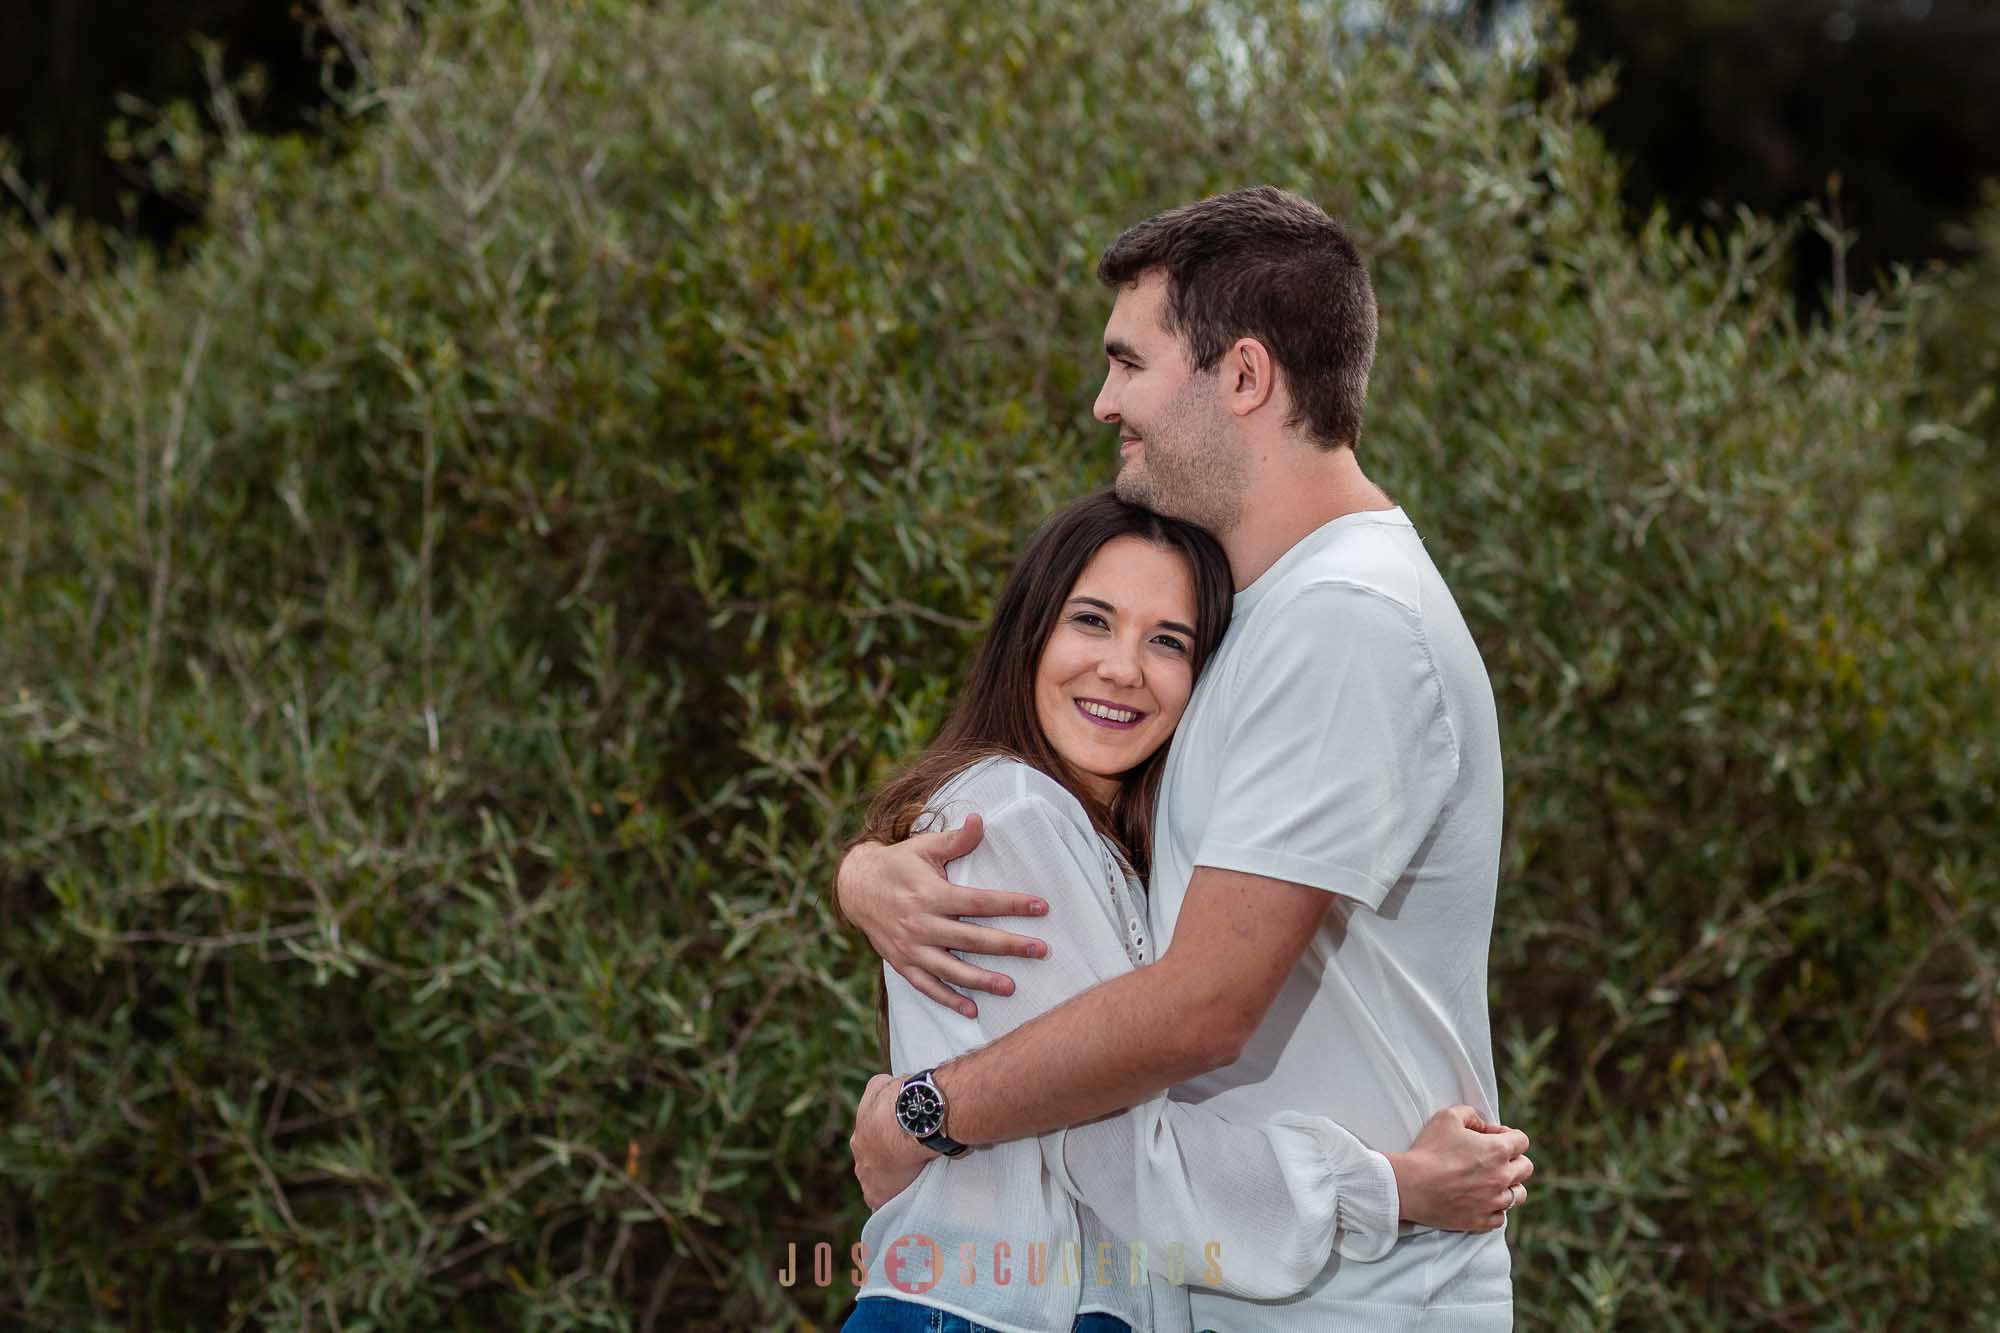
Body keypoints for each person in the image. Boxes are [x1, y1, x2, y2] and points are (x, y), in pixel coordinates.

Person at [839, 186, 1529, 1331]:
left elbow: (1199, 1004)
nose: (1105, 401)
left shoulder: (1346, 622)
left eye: (1129, 362)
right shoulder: (1255, 618)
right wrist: (869, 870)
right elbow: (1084, 845)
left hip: (1344, 1301)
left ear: (1243, 377)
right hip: (1234, 1281)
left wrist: (923, 1110)